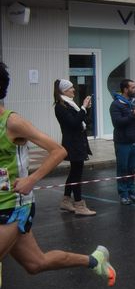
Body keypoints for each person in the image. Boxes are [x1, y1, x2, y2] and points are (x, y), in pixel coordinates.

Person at [0, 63, 115, 287]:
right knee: (36, 263)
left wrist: (31, 180)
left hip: (13, 207)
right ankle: (94, 260)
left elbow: (58, 151)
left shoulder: (12, 122)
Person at [53, 79, 95, 216]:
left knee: (74, 172)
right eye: (71, 88)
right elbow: (74, 123)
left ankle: (65, 201)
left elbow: (85, 121)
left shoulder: (71, 104)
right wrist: (83, 107)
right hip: (72, 143)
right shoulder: (60, 107)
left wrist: (87, 109)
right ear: (64, 91)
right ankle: (79, 205)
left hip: (79, 141)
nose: (74, 90)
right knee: (77, 174)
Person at [110, 79, 135, 205]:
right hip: (122, 142)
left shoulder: (134, 102)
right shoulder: (116, 104)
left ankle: (132, 193)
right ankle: (123, 194)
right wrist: (133, 114)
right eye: (132, 87)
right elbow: (118, 123)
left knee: (132, 168)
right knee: (123, 169)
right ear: (125, 89)